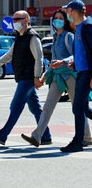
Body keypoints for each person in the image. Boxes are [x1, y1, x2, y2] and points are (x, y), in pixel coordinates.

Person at [21, 9, 92, 147]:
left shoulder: (68, 36)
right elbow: (54, 61)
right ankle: (37, 136)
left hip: (71, 76)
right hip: (57, 77)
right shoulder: (55, 38)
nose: (57, 20)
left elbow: (75, 56)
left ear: (65, 21)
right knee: (47, 106)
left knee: (78, 107)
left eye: (60, 18)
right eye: (55, 18)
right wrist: (43, 76)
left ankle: (87, 136)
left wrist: (64, 62)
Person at [0, 10, 52, 145]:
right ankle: (46, 135)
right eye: (13, 20)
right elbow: (10, 54)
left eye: (18, 19)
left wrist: (37, 76)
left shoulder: (32, 37)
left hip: (28, 77)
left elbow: (39, 58)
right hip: (22, 76)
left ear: (27, 20)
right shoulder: (20, 37)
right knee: (35, 108)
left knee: (15, 106)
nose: (14, 22)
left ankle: (3, 135)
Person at [57, 0, 92, 152]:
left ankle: (78, 142)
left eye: (68, 11)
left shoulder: (87, 28)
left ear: (74, 11)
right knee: (83, 108)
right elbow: (81, 53)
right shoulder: (79, 28)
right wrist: (73, 63)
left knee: (77, 107)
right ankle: (78, 141)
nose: (66, 14)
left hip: (87, 73)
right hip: (81, 71)